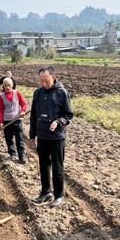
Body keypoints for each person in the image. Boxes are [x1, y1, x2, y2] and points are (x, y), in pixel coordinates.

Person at [29, 66, 73, 207]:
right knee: (43, 166)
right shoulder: (38, 93)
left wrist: (58, 121)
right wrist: (32, 135)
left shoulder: (62, 93)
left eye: (46, 80)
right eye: (41, 81)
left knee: (57, 167)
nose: (43, 84)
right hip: (42, 136)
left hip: (57, 138)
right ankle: (45, 192)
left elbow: (68, 115)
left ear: (54, 77)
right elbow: (33, 116)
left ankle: (59, 195)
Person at [0, 77, 28, 163]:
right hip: (7, 121)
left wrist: (22, 111)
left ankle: (22, 156)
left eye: (9, 85)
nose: (7, 87)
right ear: (3, 86)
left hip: (17, 120)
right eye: (5, 85)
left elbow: (24, 104)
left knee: (20, 139)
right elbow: (0, 110)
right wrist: (0, 122)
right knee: (9, 139)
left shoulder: (17, 94)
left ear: (12, 85)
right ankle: (13, 154)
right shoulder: (2, 97)